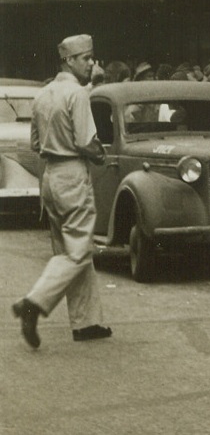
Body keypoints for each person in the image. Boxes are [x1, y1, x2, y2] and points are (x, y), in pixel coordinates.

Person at [12, 35, 112, 349]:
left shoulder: (43, 95)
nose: (91, 64)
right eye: (86, 59)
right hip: (72, 173)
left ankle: (87, 322)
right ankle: (34, 302)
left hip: (50, 176)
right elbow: (86, 141)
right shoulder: (77, 94)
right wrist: (100, 155)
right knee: (78, 250)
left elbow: (35, 144)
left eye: (92, 58)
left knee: (69, 249)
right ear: (69, 61)